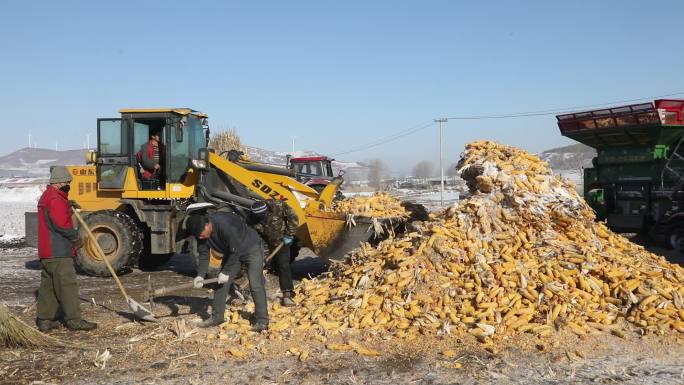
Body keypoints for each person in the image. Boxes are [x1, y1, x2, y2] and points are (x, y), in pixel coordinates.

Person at [186, 208, 269, 331]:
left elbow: (236, 249)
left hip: (251, 248)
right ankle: (217, 317)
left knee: (255, 283)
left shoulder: (224, 225)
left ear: (207, 224)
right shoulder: (201, 234)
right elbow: (204, 255)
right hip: (232, 252)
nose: (200, 237)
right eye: (198, 235)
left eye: (201, 233)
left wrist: (225, 272)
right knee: (221, 284)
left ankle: (262, 320)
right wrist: (200, 275)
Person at [36, 166, 97, 332]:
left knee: (48, 286)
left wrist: (67, 205)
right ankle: (74, 320)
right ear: (58, 182)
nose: (68, 184)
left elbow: (55, 216)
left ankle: (45, 319)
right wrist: (75, 236)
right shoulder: (55, 199)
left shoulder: (49, 196)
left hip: (47, 251)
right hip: (58, 251)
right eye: (67, 182)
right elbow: (61, 224)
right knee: (67, 285)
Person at [253, 199, 299, 306]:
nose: (262, 219)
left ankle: (287, 293)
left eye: (263, 216)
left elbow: (293, 217)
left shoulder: (277, 206)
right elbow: (252, 232)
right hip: (265, 241)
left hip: (282, 240)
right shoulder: (252, 218)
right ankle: (255, 291)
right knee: (260, 264)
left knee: (283, 265)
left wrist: (289, 233)